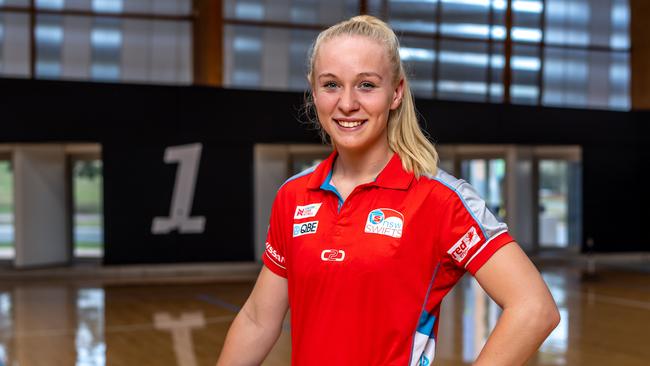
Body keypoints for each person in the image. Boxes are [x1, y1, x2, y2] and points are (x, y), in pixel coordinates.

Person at [217, 15, 559, 366]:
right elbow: (258, 320)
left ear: (396, 92)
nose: (347, 103)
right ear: (314, 91)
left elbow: (534, 307)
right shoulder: (293, 196)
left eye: (366, 85)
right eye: (331, 84)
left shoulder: (440, 198)